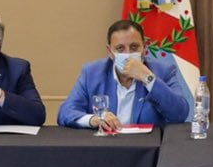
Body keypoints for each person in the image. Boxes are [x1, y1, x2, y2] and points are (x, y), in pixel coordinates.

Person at [58, 19, 193, 130]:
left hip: (149, 153)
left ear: (144, 48)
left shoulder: (163, 71)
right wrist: (94, 119)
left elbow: (180, 114)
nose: (128, 54)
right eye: (120, 49)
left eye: (134, 47)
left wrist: (149, 78)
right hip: (104, 150)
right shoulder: (92, 73)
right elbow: (65, 113)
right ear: (110, 52)